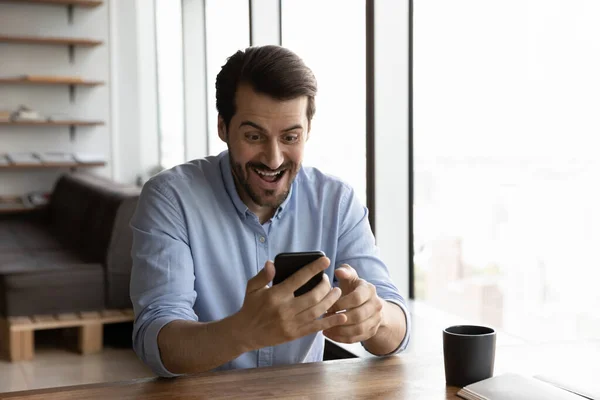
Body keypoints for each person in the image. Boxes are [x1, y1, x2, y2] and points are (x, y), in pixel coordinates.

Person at [130, 45, 411, 378]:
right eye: (254, 136)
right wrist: (242, 332)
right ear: (223, 127)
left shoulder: (336, 201)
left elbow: (398, 328)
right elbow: (156, 341)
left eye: (290, 136)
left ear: (308, 130)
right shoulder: (171, 198)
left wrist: (373, 318)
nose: (274, 159)